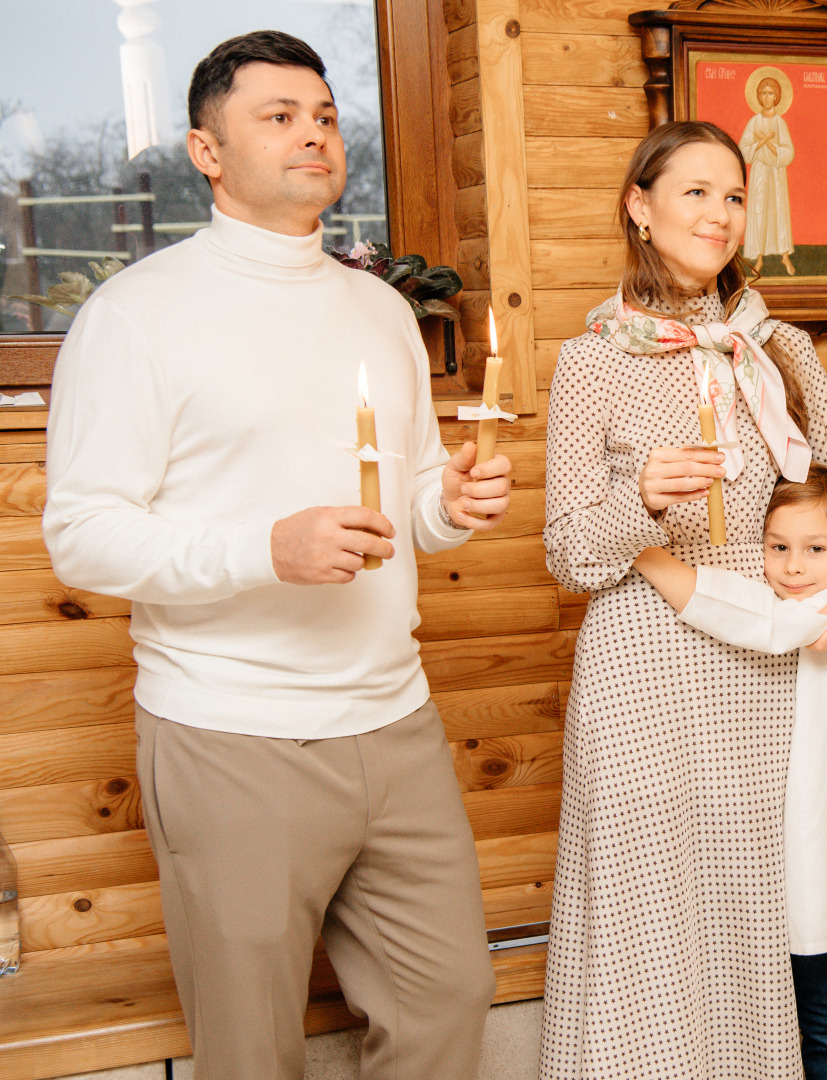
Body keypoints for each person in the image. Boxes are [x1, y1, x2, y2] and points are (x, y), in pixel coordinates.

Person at [41, 31, 511, 1080]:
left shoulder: (380, 309)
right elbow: (81, 535)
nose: (314, 134)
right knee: (251, 1052)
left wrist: (452, 503)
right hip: (230, 736)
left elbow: (411, 509)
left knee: (451, 1001)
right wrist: (265, 548)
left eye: (326, 116)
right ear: (208, 153)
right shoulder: (136, 318)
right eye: (280, 117)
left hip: (397, 724)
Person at [539, 120, 827, 1079]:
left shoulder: (777, 347)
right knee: (648, 923)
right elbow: (573, 555)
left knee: (755, 921)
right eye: (694, 192)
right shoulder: (592, 360)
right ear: (640, 205)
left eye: (734, 196)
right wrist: (642, 499)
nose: (717, 214)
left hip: (764, 668)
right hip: (642, 665)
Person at [632, 465, 827, 1080]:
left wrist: (643, 553)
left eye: (815, 549)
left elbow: (758, 617)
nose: (793, 567)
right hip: (808, 876)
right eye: (778, 547)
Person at [740, 72, 795, 276]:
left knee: (778, 212)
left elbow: (788, 152)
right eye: (763, 93)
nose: (766, 97)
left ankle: (784, 256)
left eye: (770, 93)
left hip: (776, 173)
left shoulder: (780, 123)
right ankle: (759, 258)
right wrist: (763, 140)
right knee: (758, 211)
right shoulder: (754, 122)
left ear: (776, 97)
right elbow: (744, 151)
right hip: (760, 172)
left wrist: (770, 143)